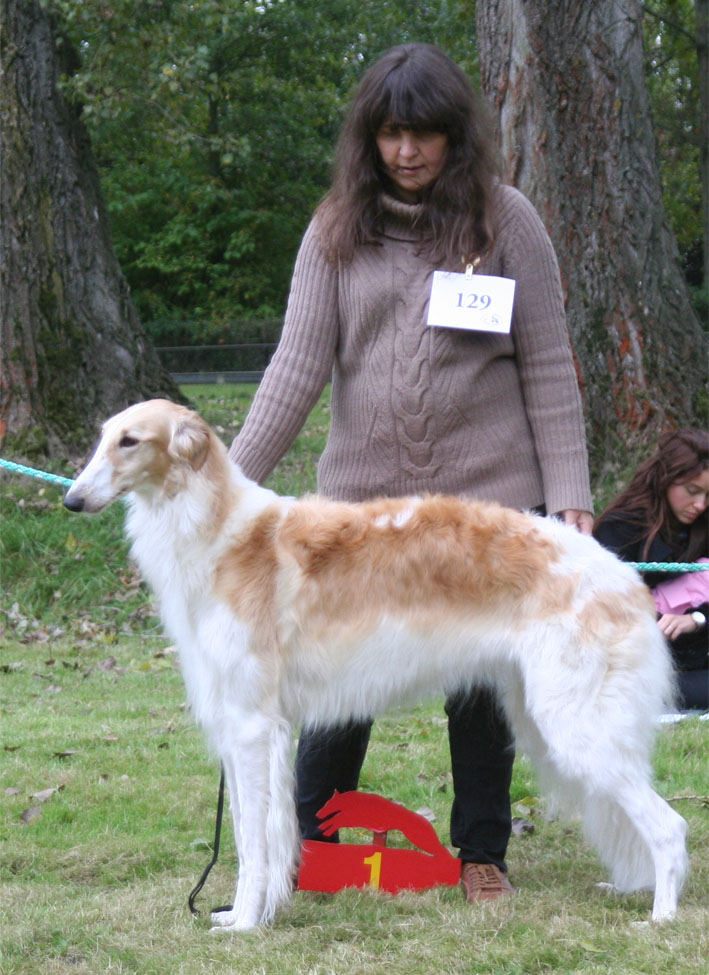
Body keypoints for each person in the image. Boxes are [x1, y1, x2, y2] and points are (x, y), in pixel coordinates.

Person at [228, 43, 593, 903]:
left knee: (482, 686)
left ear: (454, 136)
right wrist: (229, 491)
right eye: (390, 134)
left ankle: (481, 853)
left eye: (423, 134)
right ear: (369, 138)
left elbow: (548, 366)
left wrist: (569, 496)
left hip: (487, 503)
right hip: (358, 514)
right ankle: (309, 844)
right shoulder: (333, 230)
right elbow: (294, 368)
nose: (405, 151)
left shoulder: (507, 221)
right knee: (336, 677)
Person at [594, 429, 709, 711]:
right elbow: (606, 611)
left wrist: (696, 619)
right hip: (643, 666)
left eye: (708, 495)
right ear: (665, 478)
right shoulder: (619, 529)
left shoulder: (704, 523)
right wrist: (665, 623)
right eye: (692, 491)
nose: (700, 505)